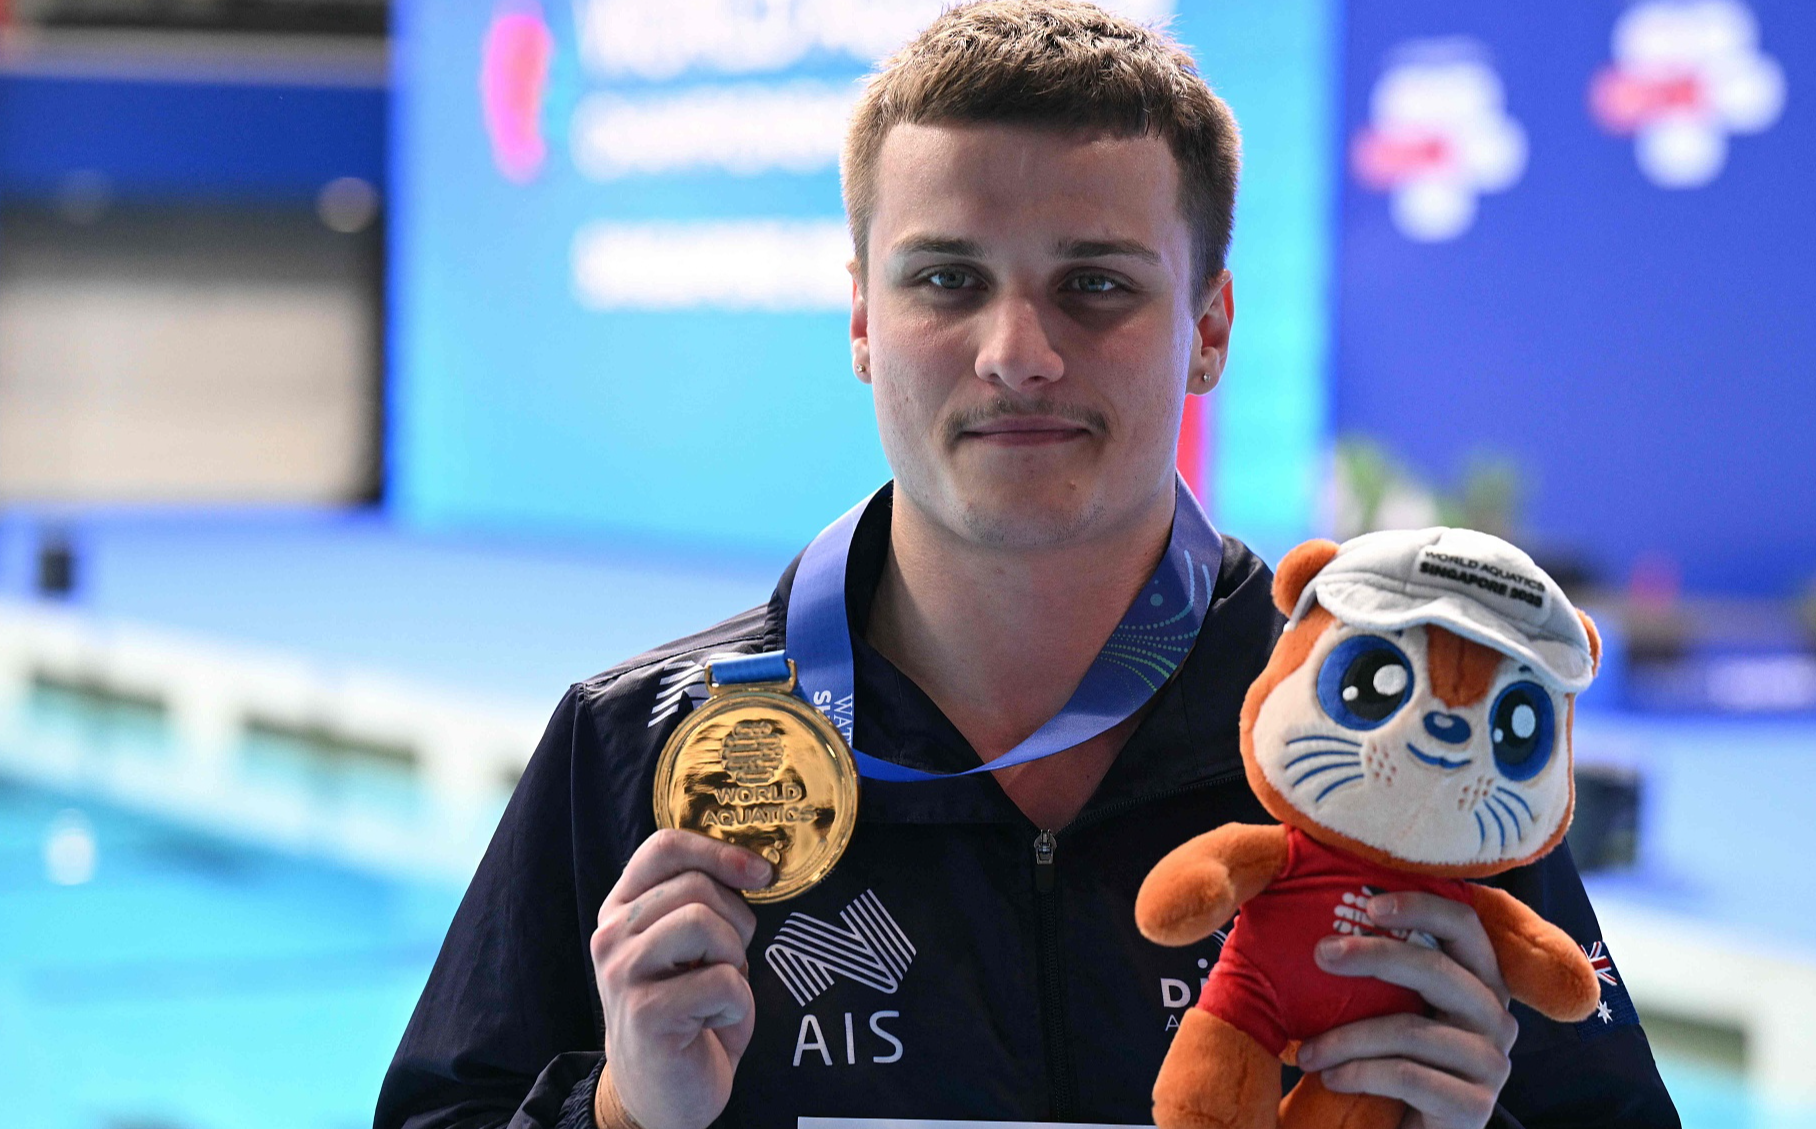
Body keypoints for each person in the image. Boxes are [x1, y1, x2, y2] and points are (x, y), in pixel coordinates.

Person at [375, 4, 1679, 1127]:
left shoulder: (1403, 750)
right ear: (863, 322)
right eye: (946, 279)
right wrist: (621, 1114)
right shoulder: (638, 756)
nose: (1018, 353)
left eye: (1096, 287)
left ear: (1210, 326)